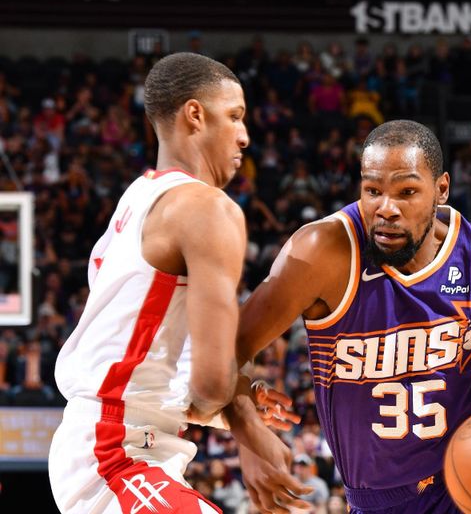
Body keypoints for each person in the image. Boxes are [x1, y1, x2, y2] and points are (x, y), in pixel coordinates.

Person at [236, 120, 471, 513]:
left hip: (470, 483)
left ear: (441, 189)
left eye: (407, 191)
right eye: (372, 191)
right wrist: (248, 436)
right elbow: (235, 346)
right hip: (378, 499)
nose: (387, 208)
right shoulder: (322, 252)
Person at [48, 53, 306, 513]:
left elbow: (172, 381)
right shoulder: (207, 208)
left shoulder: (140, 196)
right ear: (195, 114)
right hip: (116, 453)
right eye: (235, 117)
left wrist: (237, 402)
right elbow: (209, 385)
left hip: (118, 443)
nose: (245, 136)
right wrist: (249, 431)